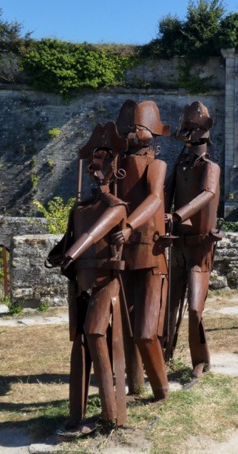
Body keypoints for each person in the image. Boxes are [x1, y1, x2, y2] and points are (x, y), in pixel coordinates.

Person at [49, 122, 130, 429]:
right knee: (80, 340)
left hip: (105, 283)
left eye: (104, 162)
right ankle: (76, 415)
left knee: (96, 332)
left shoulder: (117, 207)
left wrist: (74, 251)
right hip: (80, 284)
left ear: (114, 169)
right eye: (94, 162)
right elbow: (68, 241)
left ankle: (111, 414)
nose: (97, 169)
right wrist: (60, 254)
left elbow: (97, 232)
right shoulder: (79, 209)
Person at [111, 100, 170, 402]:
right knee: (124, 329)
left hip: (150, 251)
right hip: (123, 254)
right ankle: (134, 385)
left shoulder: (156, 165)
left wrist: (131, 225)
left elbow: (155, 199)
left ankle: (161, 390)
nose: (133, 133)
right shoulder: (117, 168)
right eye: (129, 128)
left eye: (139, 127)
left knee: (146, 332)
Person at [163, 101, 223, 378]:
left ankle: (200, 360)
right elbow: (165, 193)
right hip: (178, 244)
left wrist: (178, 214)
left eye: (191, 128)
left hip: (199, 246)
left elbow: (208, 194)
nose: (186, 133)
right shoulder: (180, 165)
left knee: (195, 308)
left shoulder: (210, 167)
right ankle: (164, 351)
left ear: (203, 131)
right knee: (169, 303)